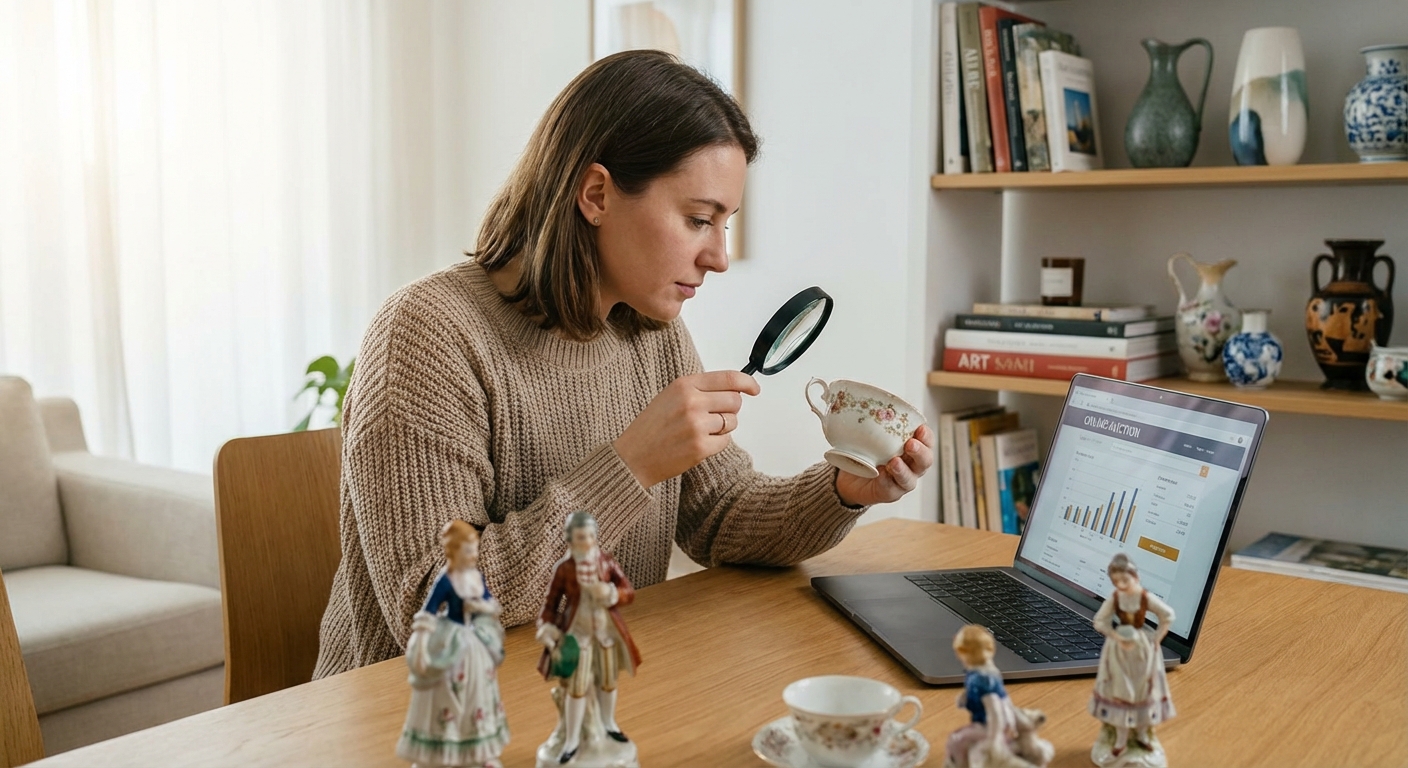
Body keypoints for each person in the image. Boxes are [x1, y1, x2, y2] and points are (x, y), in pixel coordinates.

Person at [313, 49, 934, 679]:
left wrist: (842, 491)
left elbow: (722, 515)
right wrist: (631, 466)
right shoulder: (427, 335)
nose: (718, 256)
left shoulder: (648, 329)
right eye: (698, 220)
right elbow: (436, 608)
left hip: (583, 693)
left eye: (725, 224)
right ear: (596, 194)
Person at [396, 521, 509, 768]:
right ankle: (442, 753)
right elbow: (428, 611)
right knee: (448, 692)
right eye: (468, 550)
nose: (474, 555)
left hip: (474, 640)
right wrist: (423, 641)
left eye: (475, 549)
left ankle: (479, 750)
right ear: (454, 552)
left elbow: (491, 605)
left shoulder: (476, 577)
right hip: (453, 640)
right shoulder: (446, 581)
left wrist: (481, 607)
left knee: (479, 691)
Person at [534, 512, 640, 765]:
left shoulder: (606, 563)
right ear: (570, 540)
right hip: (578, 637)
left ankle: (608, 723)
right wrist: (547, 627)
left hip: (605, 634)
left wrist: (613, 593)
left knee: (608, 681)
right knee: (577, 687)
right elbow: (549, 605)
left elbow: (628, 591)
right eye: (582, 537)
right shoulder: (565, 569)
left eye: (592, 536)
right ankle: (571, 740)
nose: (588, 542)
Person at [1088, 554, 1176, 767]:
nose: (1120, 585)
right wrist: (1115, 635)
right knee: (1121, 694)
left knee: (1143, 692)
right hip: (1119, 651)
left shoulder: (1145, 597)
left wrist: (1157, 639)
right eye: (1116, 581)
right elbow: (1100, 621)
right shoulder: (1115, 597)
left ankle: (1143, 735)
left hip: (1142, 651)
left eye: (1124, 580)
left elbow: (1168, 615)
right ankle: (1120, 741)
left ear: (1134, 577)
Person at [944, 625, 1052, 768]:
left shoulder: (980, 680)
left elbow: (995, 710)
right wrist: (964, 698)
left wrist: (994, 739)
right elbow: (1003, 699)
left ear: (964, 653)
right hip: (1002, 720)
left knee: (956, 740)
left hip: (991, 725)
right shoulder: (987, 670)